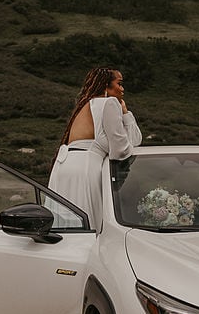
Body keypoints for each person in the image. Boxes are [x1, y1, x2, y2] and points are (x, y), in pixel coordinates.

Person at [48, 67, 142, 230]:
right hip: (85, 169)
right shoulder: (109, 103)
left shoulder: (86, 105)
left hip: (64, 168)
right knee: (90, 226)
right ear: (106, 85)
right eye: (119, 84)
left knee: (68, 226)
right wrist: (126, 113)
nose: (122, 89)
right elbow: (123, 148)